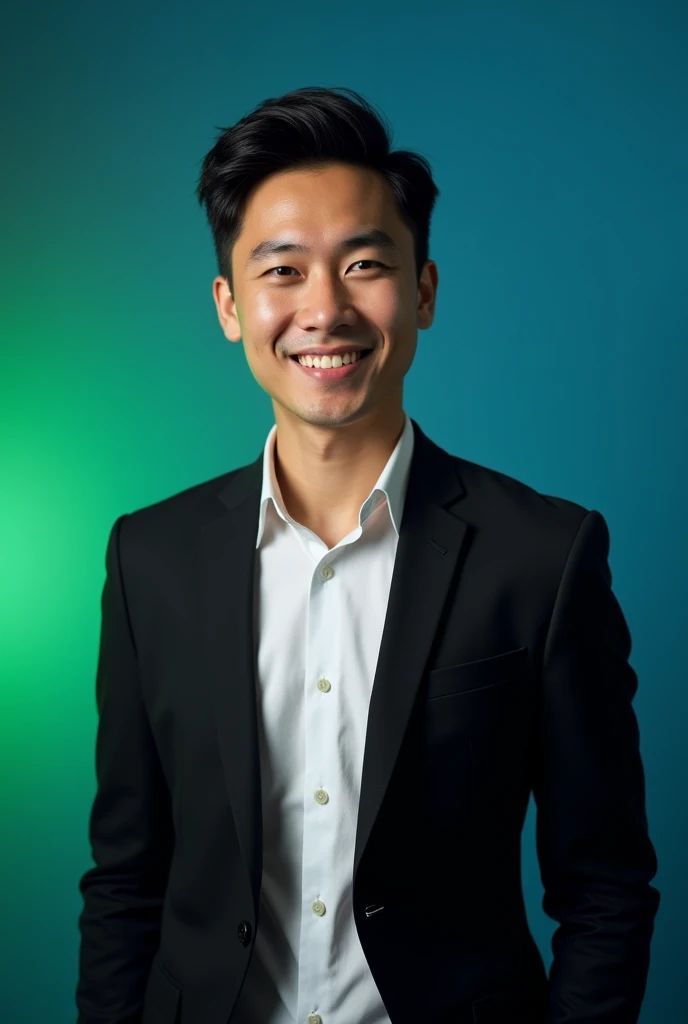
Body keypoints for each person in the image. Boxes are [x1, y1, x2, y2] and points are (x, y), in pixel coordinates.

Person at [75, 85, 660, 1024]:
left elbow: (605, 888)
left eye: (362, 263)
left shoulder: (544, 556)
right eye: (283, 272)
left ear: (423, 290)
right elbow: (124, 881)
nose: (325, 309)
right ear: (229, 305)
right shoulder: (150, 560)